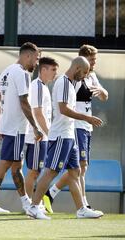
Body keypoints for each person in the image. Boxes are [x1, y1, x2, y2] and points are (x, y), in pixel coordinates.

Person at [26, 56, 104, 220]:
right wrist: (87, 118)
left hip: (69, 135)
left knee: (75, 172)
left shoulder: (70, 83)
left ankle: (81, 209)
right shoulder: (62, 82)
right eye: (83, 73)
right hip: (61, 135)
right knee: (50, 172)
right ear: (76, 69)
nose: (84, 76)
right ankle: (33, 207)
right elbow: (63, 109)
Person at [43, 45, 109, 213]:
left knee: (80, 168)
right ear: (82, 61)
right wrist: (84, 118)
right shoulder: (74, 80)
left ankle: (51, 194)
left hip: (87, 127)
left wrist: (101, 90)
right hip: (76, 125)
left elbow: (104, 96)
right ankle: (81, 204)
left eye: (95, 59)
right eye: (92, 59)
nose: (94, 63)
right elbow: (65, 105)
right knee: (79, 167)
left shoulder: (91, 76)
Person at [0, 42, 42, 213]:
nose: (36, 63)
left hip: (9, 127)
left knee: (16, 165)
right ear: (27, 56)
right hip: (16, 128)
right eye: (36, 59)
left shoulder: (7, 70)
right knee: (7, 163)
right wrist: (35, 127)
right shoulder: (22, 73)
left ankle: (26, 203)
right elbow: (24, 102)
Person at [24, 57, 58, 200]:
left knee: (36, 170)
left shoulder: (43, 87)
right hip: (37, 137)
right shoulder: (37, 86)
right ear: (43, 70)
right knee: (34, 171)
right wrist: (50, 134)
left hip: (42, 136)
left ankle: (31, 203)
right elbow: (37, 113)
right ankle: (30, 203)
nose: (56, 73)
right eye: (53, 70)